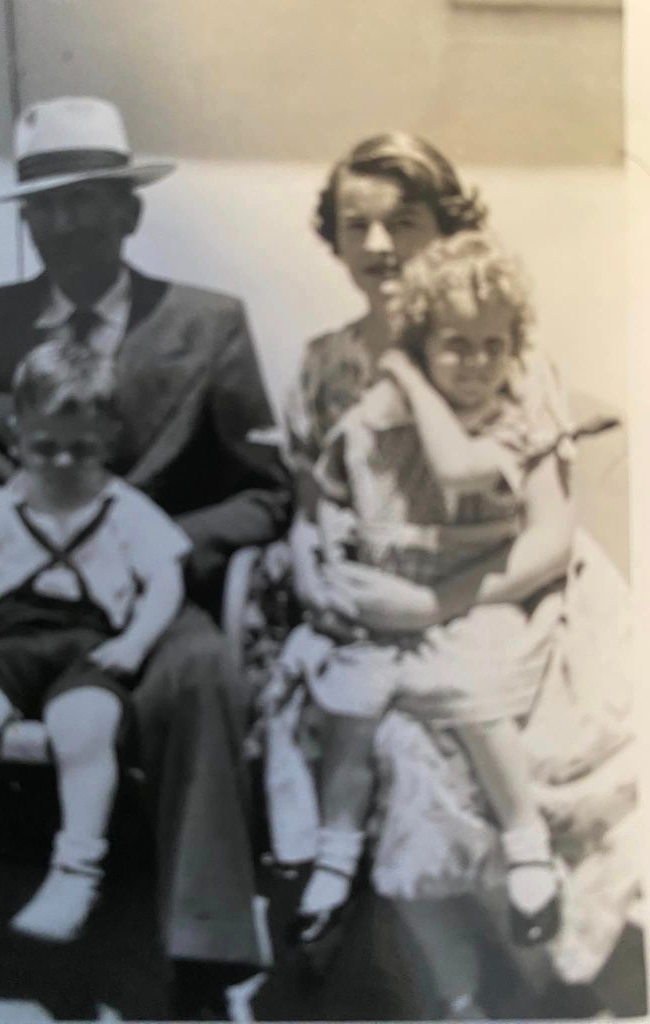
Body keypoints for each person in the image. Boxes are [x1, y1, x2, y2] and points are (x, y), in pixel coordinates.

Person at [0, 96, 290, 1014]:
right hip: (8, 596)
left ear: (131, 211)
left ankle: (202, 951)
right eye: (48, 203)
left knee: (202, 671)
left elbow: (265, 490)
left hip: (145, 602)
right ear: (28, 218)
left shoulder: (208, 324)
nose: (70, 221)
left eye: (91, 200)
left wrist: (150, 552)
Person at [273, 132, 637, 1015]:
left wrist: (433, 601)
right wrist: (321, 574)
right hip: (377, 606)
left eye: (406, 221)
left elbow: (548, 536)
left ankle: (553, 972)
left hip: (516, 590)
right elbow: (313, 508)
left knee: (551, 734)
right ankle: (457, 994)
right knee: (393, 738)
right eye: (357, 224)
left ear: (447, 227)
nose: (380, 245)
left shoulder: (505, 356)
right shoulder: (327, 365)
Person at [285, 230, 584, 950]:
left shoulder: (510, 425)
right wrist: (331, 549)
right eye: (455, 345)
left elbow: (458, 472)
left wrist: (411, 379)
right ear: (422, 341)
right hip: (387, 599)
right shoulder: (372, 424)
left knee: (469, 693)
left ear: (514, 347)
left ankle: (525, 842)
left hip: (472, 596)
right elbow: (328, 492)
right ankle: (334, 849)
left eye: (493, 345)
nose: (477, 364)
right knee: (348, 708)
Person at [0, 340, 189, 943]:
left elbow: (166, 579)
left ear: (110, 438)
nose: (63, 463)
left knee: (85, 725)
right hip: (7, 640)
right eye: (45, 448)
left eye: (82, 450)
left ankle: (76, 868)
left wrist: (137, 642)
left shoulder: (124, 509)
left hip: (88, 645)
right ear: (17, 435)